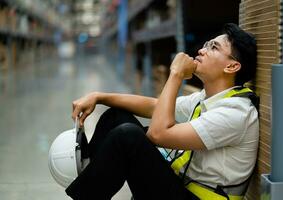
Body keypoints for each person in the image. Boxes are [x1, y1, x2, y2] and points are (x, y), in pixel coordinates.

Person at [66, 23, 259, 200]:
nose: (201, 50)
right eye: (207, 45)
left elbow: (158, 134)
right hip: (182, 187)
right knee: (116, 116)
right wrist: (99, 97)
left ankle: (87, 191)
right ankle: (91, 178)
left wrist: (176, 74)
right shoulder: (206, 98)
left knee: (128, 136)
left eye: (214, 48)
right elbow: (154, 106)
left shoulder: (235, 112)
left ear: (232, 66)